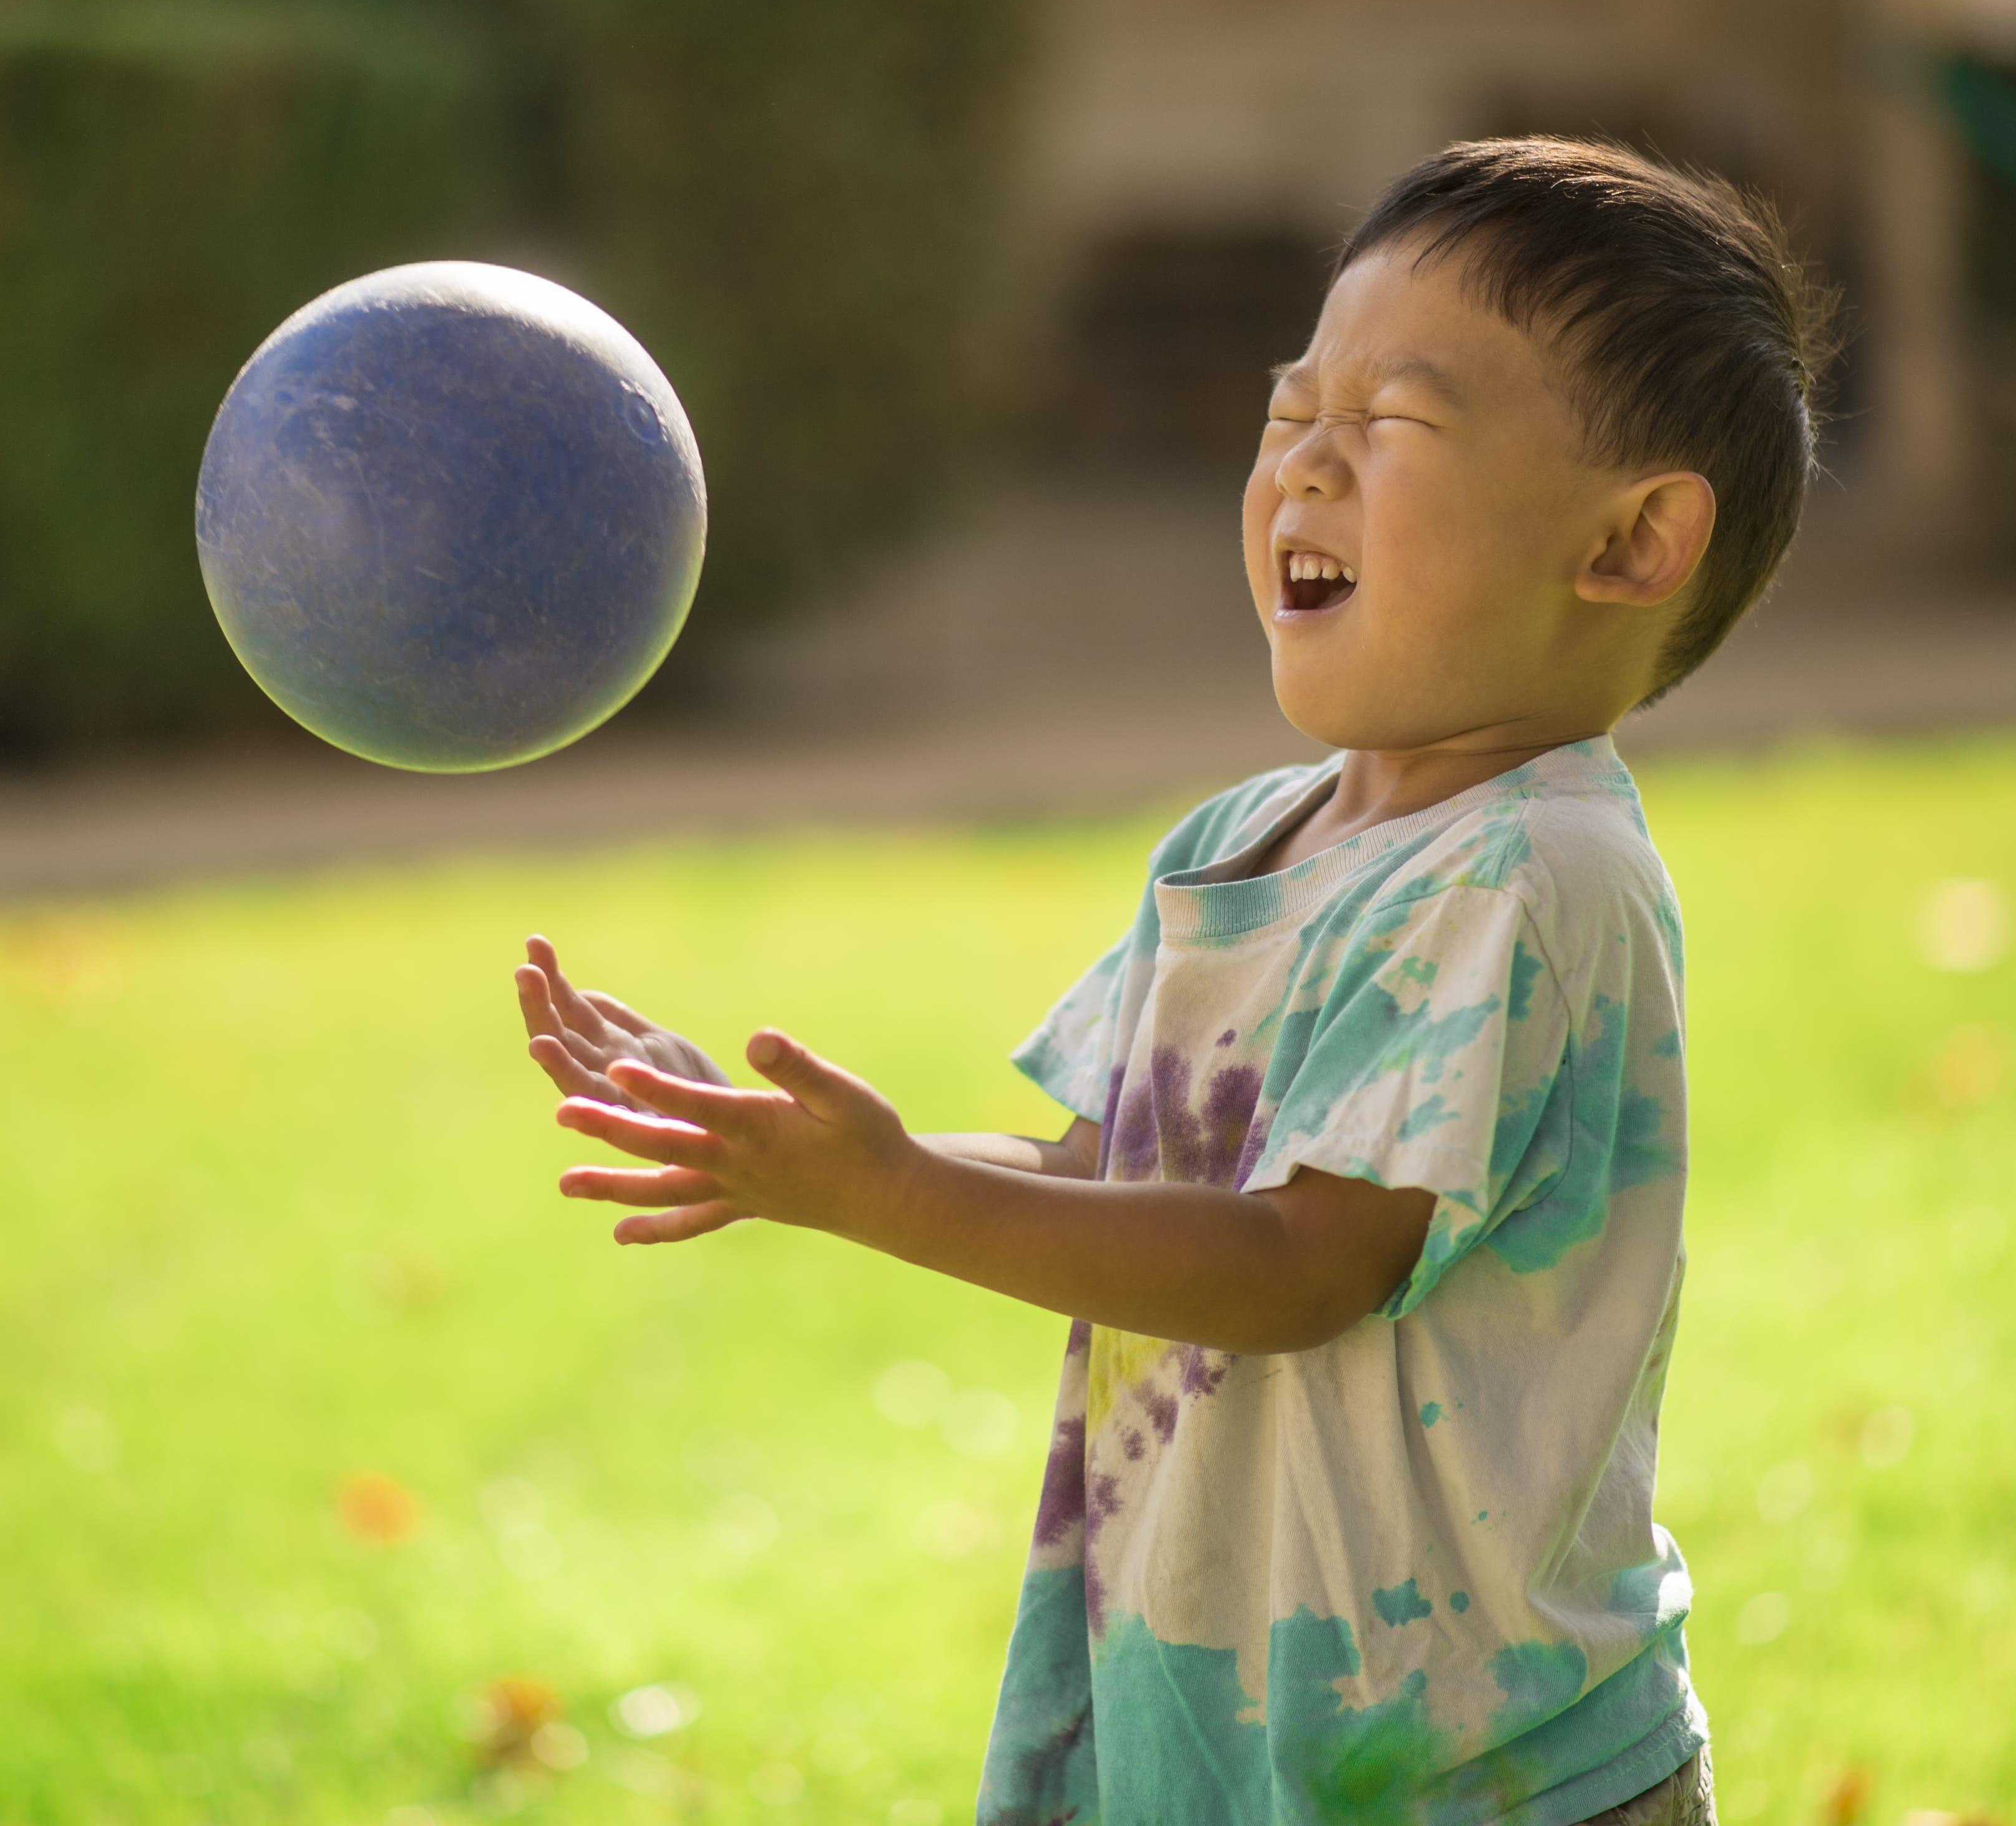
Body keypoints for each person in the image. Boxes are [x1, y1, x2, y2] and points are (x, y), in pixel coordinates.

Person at [512, 138, 1836, 1825]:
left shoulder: (1536, 874)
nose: (1307, 471)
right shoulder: (1243, 843)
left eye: (1393, 428)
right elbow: (1103, 1184)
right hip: (1234, 1747)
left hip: (1476, 1782)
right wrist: (813, 1162)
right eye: (1293, 419)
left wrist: (899, 1190)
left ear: (1633, 542)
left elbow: (1306, 1262)